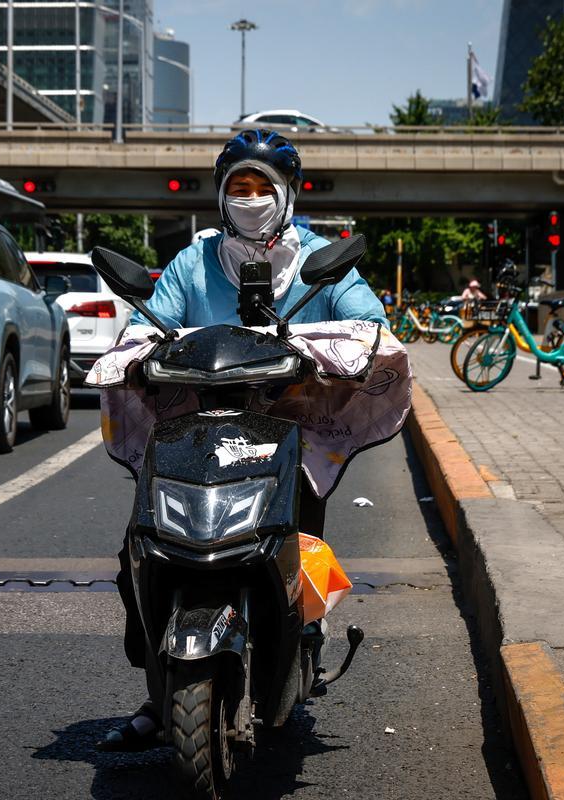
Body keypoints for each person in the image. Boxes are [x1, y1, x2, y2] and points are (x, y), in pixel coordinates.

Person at [98, 129, 386, 752]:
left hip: (293, 436)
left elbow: (372, 325)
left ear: (288, 194)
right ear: (222, 196)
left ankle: (300, 646)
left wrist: (331, 353)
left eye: (263, 187)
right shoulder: (193, 261)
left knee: (300, 546)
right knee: (138, 551)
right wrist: (140, 354)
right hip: (196, 433)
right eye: (239, 187)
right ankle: (158, 690)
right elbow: (144, 328)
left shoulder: (318, 260)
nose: (251, 199)